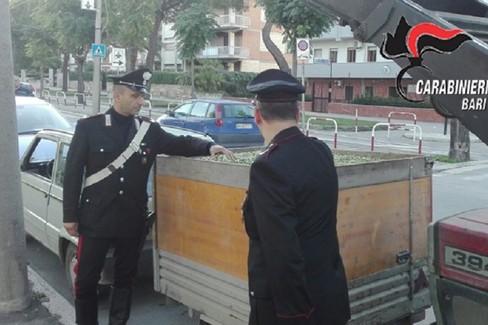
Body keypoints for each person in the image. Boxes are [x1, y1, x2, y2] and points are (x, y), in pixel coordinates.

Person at [63, 68, 234, 325]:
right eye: (135, 96)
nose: (140, 102)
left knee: (124, 279)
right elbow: (73, 173)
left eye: (142, 97)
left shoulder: (148, 130)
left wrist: (210, 147)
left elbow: (180, 143)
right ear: (117, 96)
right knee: (86, 280)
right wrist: (70, 216)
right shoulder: (90, 127)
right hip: (95, 218)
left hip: (131, 219)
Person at [242, 69, 351, 325]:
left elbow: (282, 253)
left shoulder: (267, 167)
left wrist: (295, 316)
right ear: (297, 113)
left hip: (293, 308)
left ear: (257, 116)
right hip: (329, 292)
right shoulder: (321, 151)